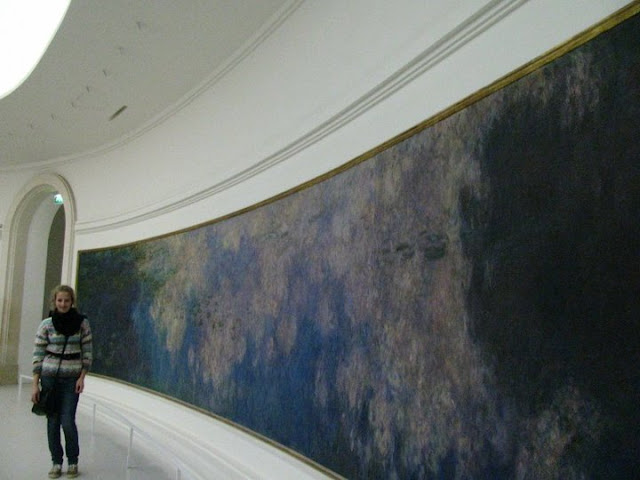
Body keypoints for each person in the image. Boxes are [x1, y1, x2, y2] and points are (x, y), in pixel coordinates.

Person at [31, 285, 93, 479]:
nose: (63, 304)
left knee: (67, 421)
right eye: (60, 300)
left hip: (71, 379)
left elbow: (87, 352)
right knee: (53, 421)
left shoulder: (82, 324)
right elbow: (38, 354)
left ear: (72, 301)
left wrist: (82, 377)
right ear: (54, 301)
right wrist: (35, 384)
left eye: (66, 300)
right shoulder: (46, 325)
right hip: (50, 378)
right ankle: (56, 462)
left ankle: (73, 461)